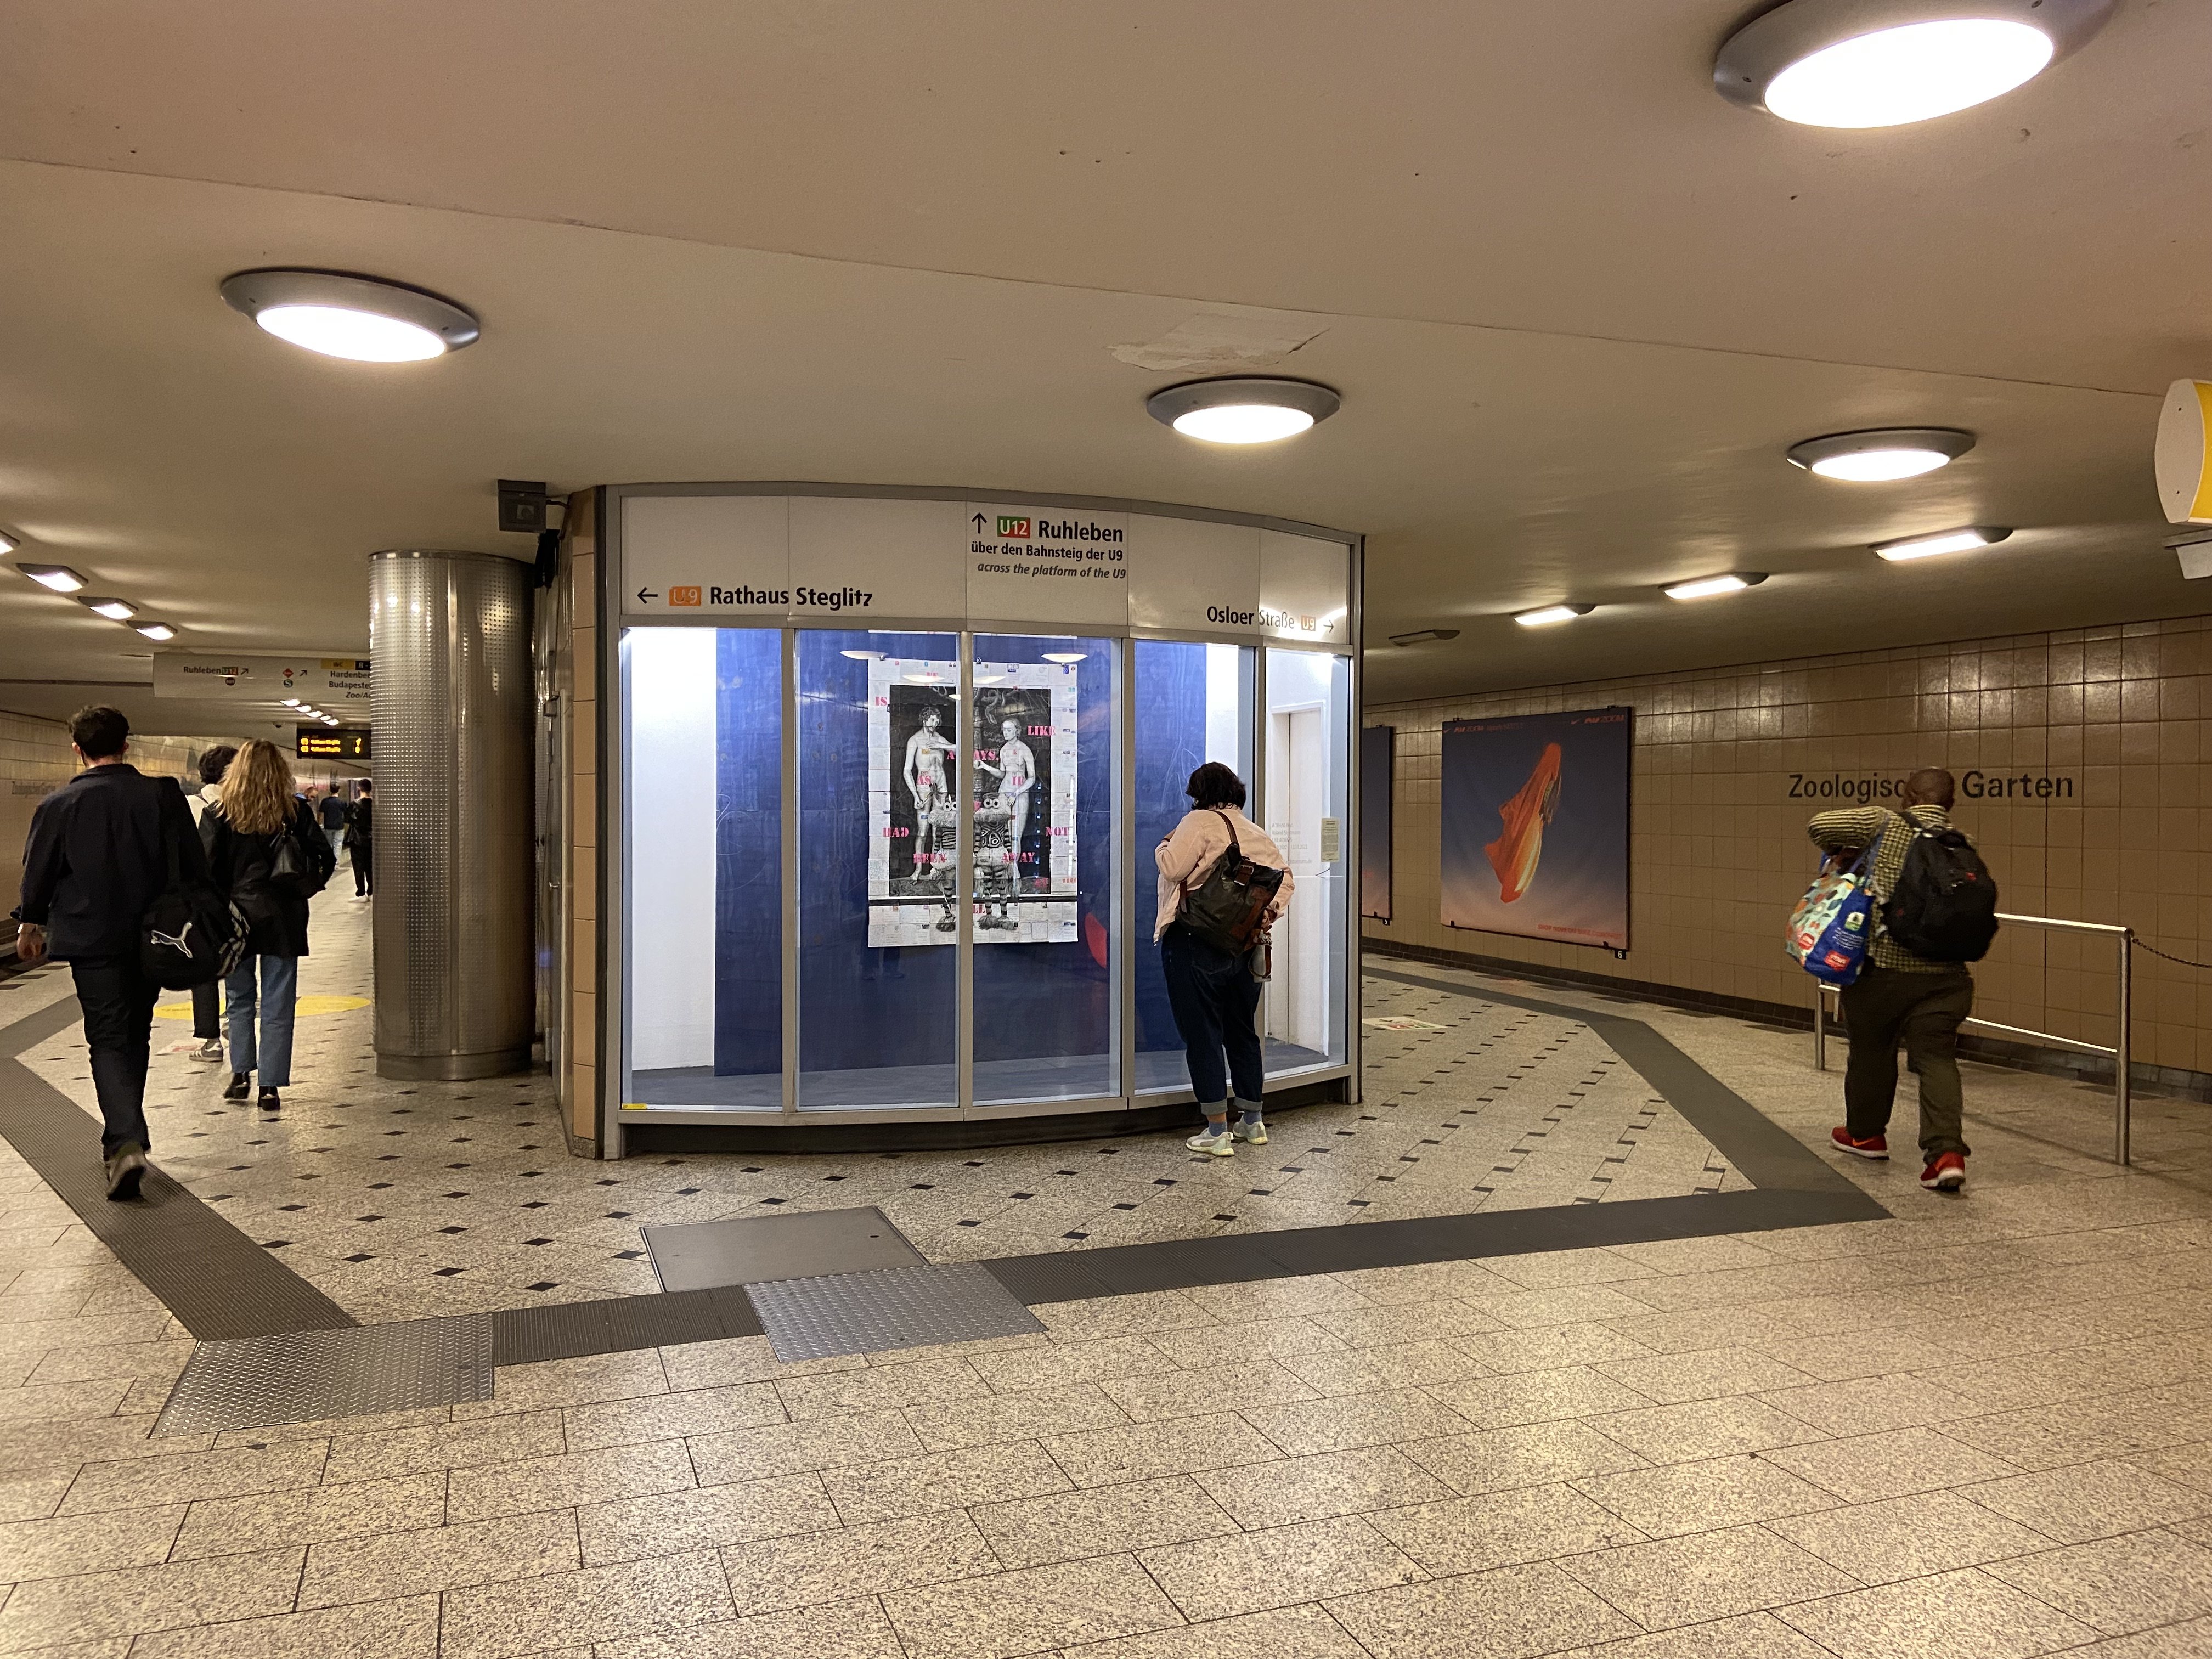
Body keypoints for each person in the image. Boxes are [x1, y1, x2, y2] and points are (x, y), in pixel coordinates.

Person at [12, 706, 211, 1198]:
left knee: (107, 1037)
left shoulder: (59, 805)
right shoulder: (162, 796)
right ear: (128, 744)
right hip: (154, 938)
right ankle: (125, 1138)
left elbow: (38, 872)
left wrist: (30, 925)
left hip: (91, 939)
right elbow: (194, 866)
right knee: (135, 1031)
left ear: (77, 748)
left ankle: (124, 1142)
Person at [1808, 767, 1976, 1192]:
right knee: (1937, 1059)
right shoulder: (1962, 843)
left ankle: (1866, 1135)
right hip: (1948, 978)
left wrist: (1841, 851)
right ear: (1950, 804)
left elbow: (1819, 825)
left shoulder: (1882, 822)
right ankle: (1946, 1154)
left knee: (1871, 1050)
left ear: (1907, 796)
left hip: (1883, 972)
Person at [1154, 761, 1293, 1156]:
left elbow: (1173, 867)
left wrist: (1164, 845)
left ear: (1199, 792)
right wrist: (1268, 914)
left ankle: (1217, 1130)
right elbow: (1286, 879)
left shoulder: (1197, 822)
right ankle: (1253, 1120)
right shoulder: (1256, 832)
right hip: (1246, 945)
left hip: (1196, 941)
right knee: (1242, 1031)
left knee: (1203, 1034)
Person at [200, 739, 327, 1114]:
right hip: (283, 918)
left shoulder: (220, 813)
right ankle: (270, 1086)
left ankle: (241, 1074)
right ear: (281, 772)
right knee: (278, 1003)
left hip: (235, 918)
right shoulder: (295, 812)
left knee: (239, 999)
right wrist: (306, 886)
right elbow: (324, 856)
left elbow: (206, 872)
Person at [183, 744, 239, 1062]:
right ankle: (236, 1018)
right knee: (239, 961)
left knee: (203, 967)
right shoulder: (247, 805)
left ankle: (210, 1041)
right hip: (240, 897)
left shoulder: (189, 805)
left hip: (201, 899)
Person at [345, 780, 373, 899]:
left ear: (359, 789)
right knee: (370, 864)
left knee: (358, 864)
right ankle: (371, 887)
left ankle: (360, 888)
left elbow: (347, 819)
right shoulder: (375, 804)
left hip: (357, 838)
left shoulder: (353, 804)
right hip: (371, 838)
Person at [315, 784, 348, 864]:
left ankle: (329, 862)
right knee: (338, 844)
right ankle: (335, 863)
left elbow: (320, 815)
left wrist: (320, 824)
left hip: (328, 826)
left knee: (329, 844)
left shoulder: (325, 801)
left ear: (330, 791)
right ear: (339, 790)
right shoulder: (342, 802)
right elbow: (347, 814)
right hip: (339, 827)